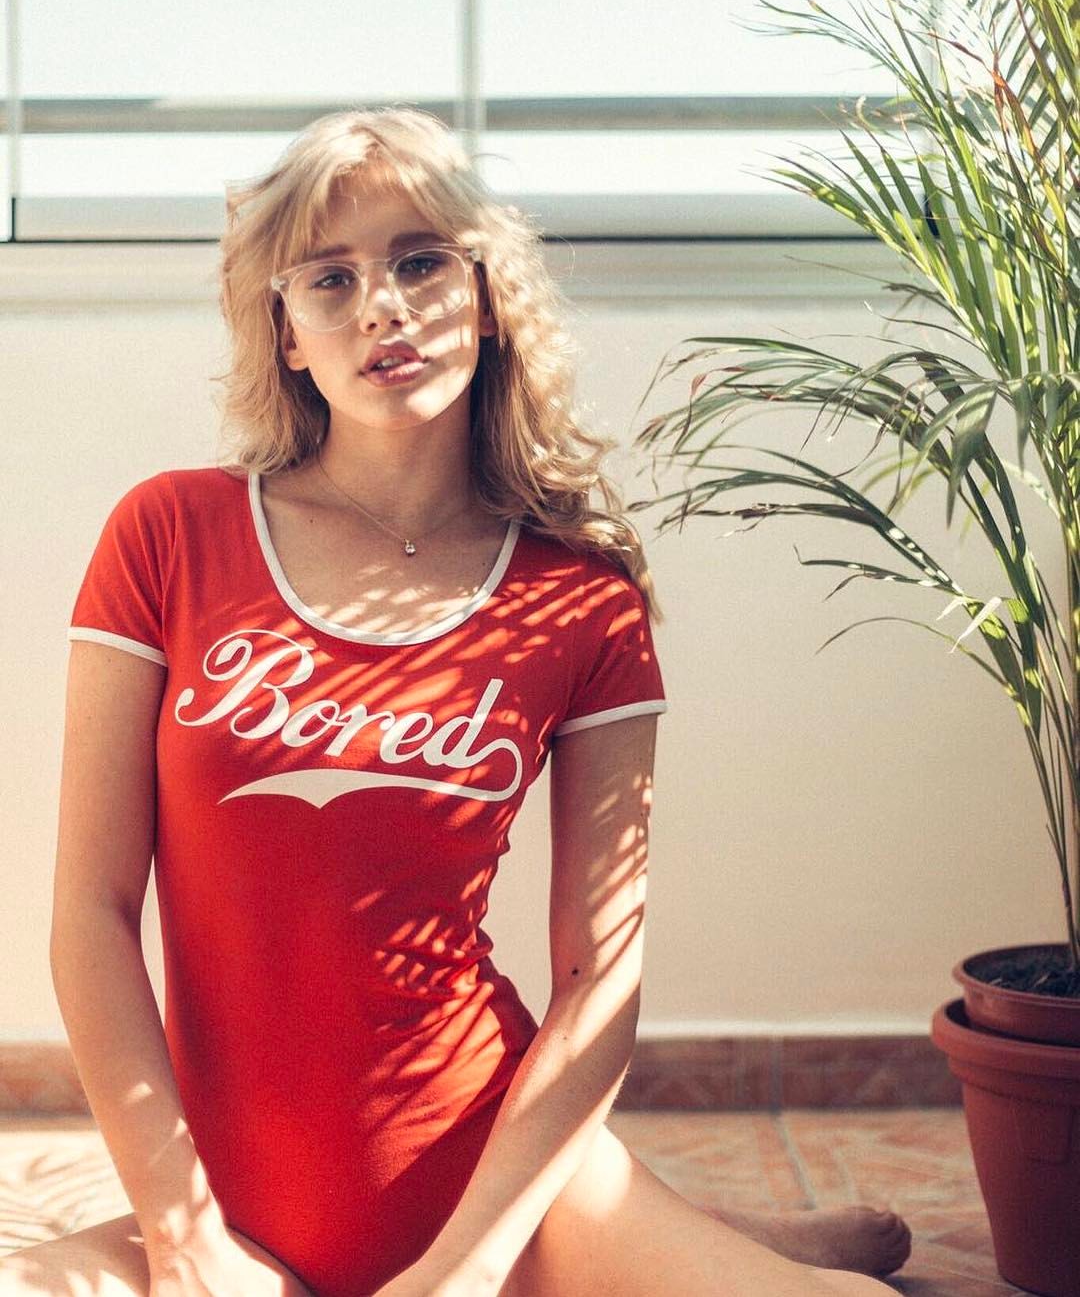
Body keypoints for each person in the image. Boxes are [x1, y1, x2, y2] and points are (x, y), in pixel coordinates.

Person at [4, 107, 911, 1297]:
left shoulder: (576, 596)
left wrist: (467, 1272)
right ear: (287, 335)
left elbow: (598, 980)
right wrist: (183, 1239)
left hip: (494, 1188)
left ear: (486, 296)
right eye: (332, 279)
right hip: (228, 1212)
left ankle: (693, 1235)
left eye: (421, 261)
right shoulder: (169, 534)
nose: (383, 306)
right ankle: (723, 1230)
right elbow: (92, 913)